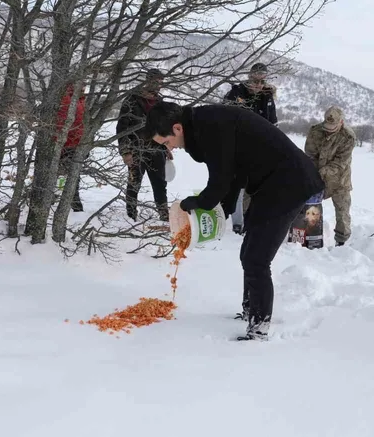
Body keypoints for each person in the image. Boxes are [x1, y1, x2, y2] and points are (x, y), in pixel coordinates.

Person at [145, 101, 324, 341]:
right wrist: (226, 207)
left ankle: (259, 328)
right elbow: (235, 171)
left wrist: (199, 203)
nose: (170, 148)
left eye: (166, 142)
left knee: (256, 259)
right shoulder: (203, 124)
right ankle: (251, 311)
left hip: (289, 182)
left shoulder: (209, 126)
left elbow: (221, 178)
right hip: (270, 184)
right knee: (248, 253)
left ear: (177, 128)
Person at [223, 62, 279, 235]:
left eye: (262, 81)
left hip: (259, 149)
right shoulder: (237, 93)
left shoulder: (267, 97)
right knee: (236, 187)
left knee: (256, 187)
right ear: (249, 78)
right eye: (255, 81)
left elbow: (273, 124)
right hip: (237, 148)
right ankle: (236, 223)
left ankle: (251, 220)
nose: (258, 85)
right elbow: (224, 119)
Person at [116, 68, 171, 222]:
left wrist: (166, 146)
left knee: (160, 183)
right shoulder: (132, 100)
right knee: (134, 182)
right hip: (136, 149)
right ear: (148, 80)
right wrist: (125, 151)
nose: (159, 85)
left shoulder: (160, 103)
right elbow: (121, 128)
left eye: (161, 82)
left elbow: (163, 128)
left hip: (156, 149)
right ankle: (131, 214)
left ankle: (164, 213)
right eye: (156, 81)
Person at [304, 106, 356, 246]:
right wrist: (312, 173)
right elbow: (310, 155)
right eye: (327, 126)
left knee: (342, 212)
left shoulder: (348, 137)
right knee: (310, 208)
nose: (329, 129)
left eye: (333, 127)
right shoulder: (315, 131)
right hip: (317, 178)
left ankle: (341, 242)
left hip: (340, 180)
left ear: (341, 122)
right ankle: (309, 236)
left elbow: (340, 162)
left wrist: (323, 172)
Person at [55, 84, 86, 212]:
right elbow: (63, 122)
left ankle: (74, 205)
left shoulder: (81, 99)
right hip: (67, 144)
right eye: (82, 84)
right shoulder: (67, 98)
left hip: (77, 144)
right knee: (67, 176)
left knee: (73, 176)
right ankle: (75, 206)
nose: (84, 87)